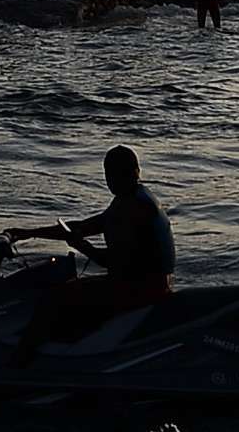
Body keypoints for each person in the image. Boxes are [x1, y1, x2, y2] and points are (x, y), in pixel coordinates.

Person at [9, 145, 175, 344]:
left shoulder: (136, 207)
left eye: (118, 174)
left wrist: (79, 245)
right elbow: (84, 226)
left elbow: (111, 261)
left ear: (134, 172)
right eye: (110, 174)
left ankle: (23, 361)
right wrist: (29, 233)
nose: (112, 180)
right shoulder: (133, 198)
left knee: (54, 299)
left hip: (139, 290)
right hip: (143, 284)